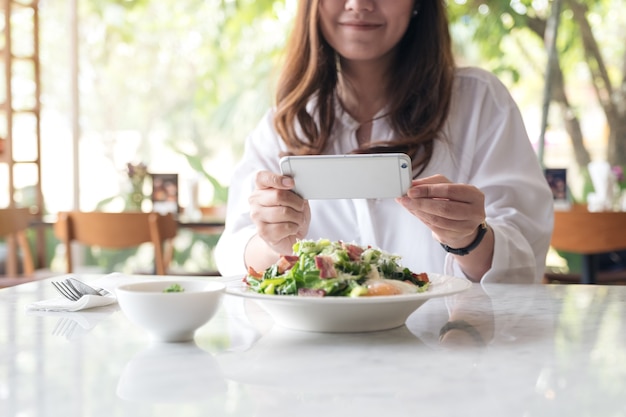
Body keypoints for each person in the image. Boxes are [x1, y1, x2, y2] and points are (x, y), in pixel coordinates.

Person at [215, 0, 554, 283]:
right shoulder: (285, 121)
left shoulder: (479, 101)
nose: (359, 4)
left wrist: (469, 238)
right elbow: (234, 257)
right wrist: (272, 240)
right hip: (318, 351)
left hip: (448, 347)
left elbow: (525, 256)